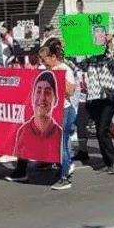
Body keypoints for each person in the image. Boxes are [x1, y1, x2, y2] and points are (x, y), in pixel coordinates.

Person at [37, 45, 78, 190]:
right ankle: (62, 168)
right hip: (53, 111)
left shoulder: (65, 69)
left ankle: (65, 176)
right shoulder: (48, 70)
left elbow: (71, 91)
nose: (43, 62)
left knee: (63, 143)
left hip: (65, 110)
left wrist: (59, 78)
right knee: (56, 143)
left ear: (53, 57)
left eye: (45, 58)